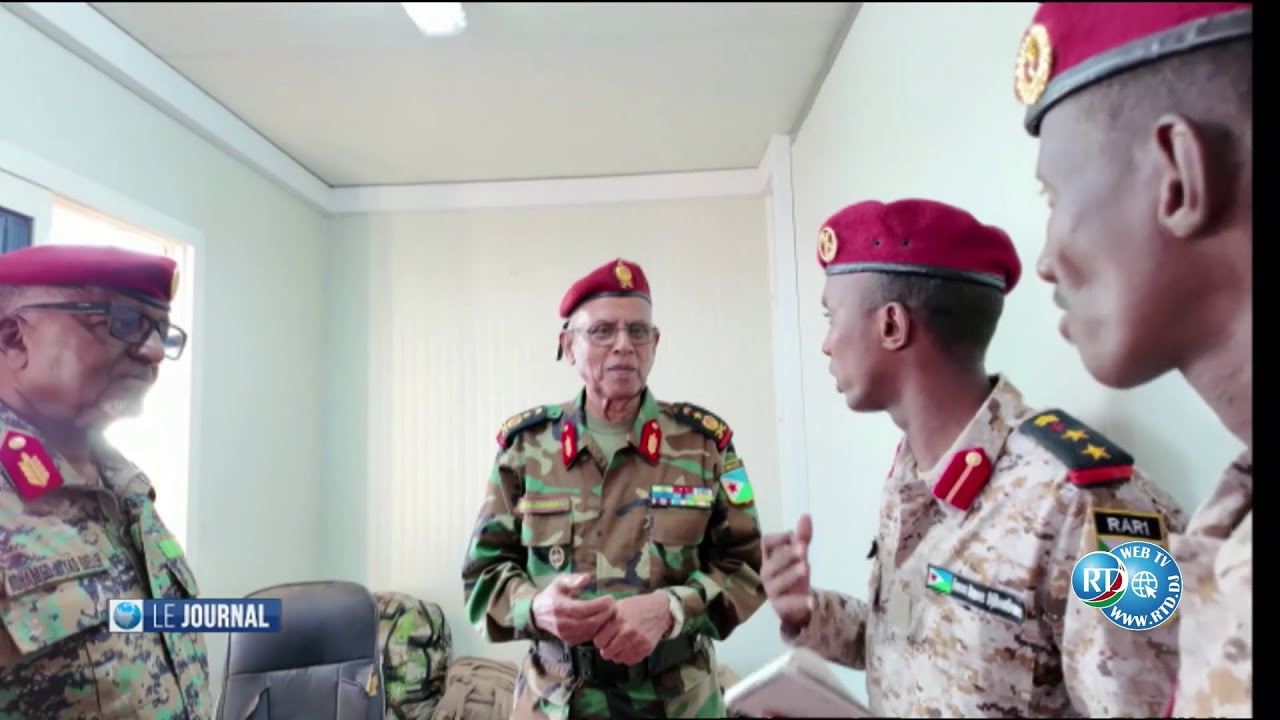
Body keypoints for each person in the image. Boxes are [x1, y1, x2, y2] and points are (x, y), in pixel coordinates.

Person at [760, 199, 1187, 716]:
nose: (826, 344)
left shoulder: (1083, 505)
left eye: (831, 317)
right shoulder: (910, 473)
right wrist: (808, 613)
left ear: (891, 324)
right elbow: (910, 642)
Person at [1010, 3, 1252, 716]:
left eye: (1053, 197)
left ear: (1177, 176)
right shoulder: (1232, 517)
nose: (1047, 260)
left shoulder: (1080, 491)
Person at [461, 258, 766, 720]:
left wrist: (671, 608)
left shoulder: (704, 445)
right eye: (602, 331)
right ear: (568, 346)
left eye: (638, 331)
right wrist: (536, 607)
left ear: (655, 343)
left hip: (678, 702)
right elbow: (483, 578)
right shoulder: (525, 449)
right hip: (554, 700)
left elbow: (746, 568)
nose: (624, 345)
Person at [0, 244, 210, 718]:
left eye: (161, 330)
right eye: (123, 321)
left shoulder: (127, 491)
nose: (154, 351)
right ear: (14, 338)